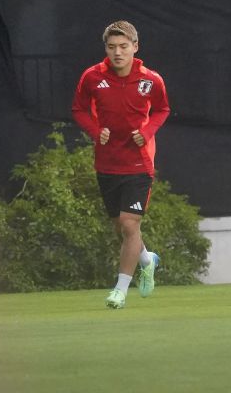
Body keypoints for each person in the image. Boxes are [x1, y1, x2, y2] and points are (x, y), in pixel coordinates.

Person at [72, 21, 170, 309]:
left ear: (135, 47)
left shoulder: (151, 79)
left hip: (139, 164)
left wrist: (148, 131)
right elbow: (78, 109)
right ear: (106, 49)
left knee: (130, 224)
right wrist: (95, 130)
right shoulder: (92, 77)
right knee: (121, 227)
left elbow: (163, 109)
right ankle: (146, 259)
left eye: (124, 47)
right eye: (112, 47)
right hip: (107, 162)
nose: (118, 53)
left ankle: (120, 290)